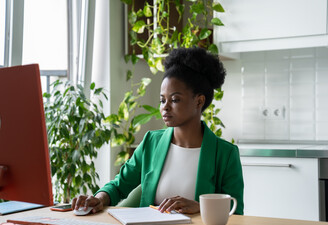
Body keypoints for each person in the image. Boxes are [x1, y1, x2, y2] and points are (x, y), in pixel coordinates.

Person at [72, 47, 244, 215]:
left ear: (199, 102)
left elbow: (236, 214)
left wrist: (200, 207)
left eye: (175, 100)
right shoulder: (151, 142)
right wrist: (99, 199)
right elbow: (119, 185)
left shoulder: (225, 154)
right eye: (162, 100)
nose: (165, 107)